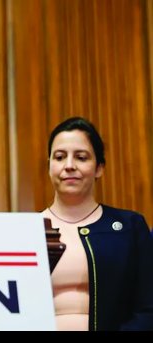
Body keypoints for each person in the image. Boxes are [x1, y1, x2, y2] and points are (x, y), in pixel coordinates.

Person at [42, 116, 153, 331]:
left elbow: (149, 309)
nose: (69, 166)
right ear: (49, 166)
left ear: (99, 168)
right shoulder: (25, 230)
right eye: (59, 157)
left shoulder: (130, 227)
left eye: (81, 157)